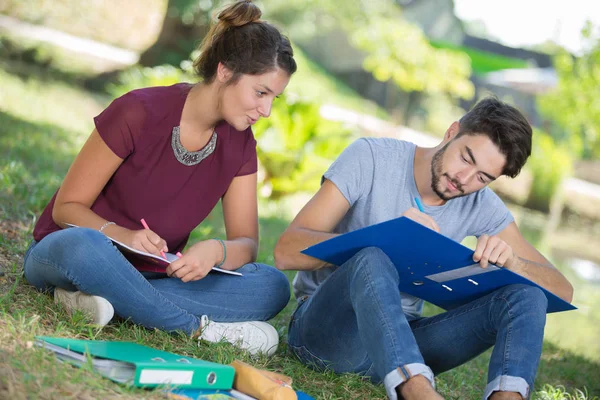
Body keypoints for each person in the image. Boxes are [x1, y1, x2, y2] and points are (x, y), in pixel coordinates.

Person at [23, 0, 296, 357]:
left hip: (153, 273)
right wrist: (121, 235)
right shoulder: (138, 111)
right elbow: (66, 209)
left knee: (272, 286)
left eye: (274, 97)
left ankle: (97, 300)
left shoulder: (241, 143)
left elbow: (246, 243)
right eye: (260, 93)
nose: (266, 110)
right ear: (225, 71)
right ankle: (199, 330)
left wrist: (216, 251)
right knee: (85, 247)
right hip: (71, 252)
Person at [274, 97, 574, 399]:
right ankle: (416, 391)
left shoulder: (480, 204)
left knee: (527, 294)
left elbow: (562, 290)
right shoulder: (372, 157)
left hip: (404, 342)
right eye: (466, 158)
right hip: (329, 336)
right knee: (373, 255)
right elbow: (286, 251)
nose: (464, 179)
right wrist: (388, 237)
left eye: (483, 177)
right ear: (451, 132)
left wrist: (513, 263)